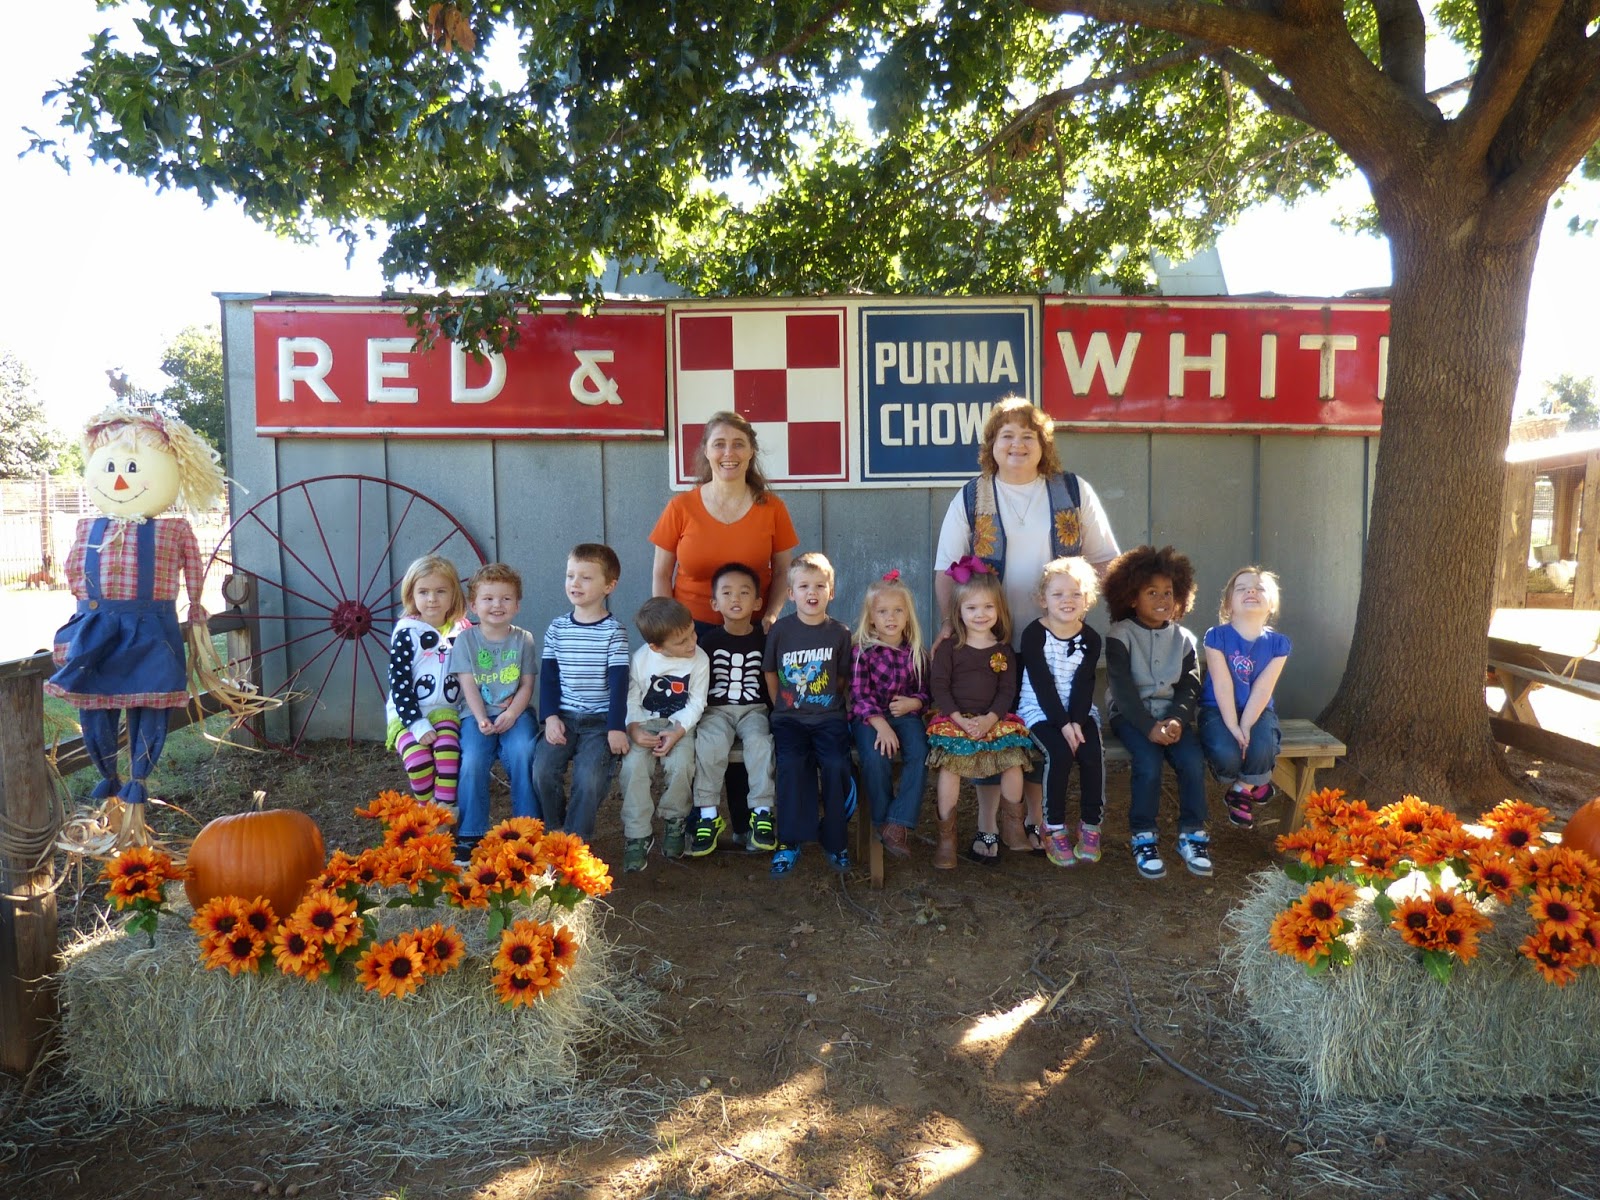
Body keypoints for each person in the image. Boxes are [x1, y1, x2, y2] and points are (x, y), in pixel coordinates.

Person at [933, 396, 1119, 851]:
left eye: (1028, 437)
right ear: (991, 445)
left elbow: (1106, 560)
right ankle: (989, 827)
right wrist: (951, 626)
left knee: (1038, 733)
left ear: (1044, 445)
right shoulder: (971, 495)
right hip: (987, 641)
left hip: (1052, 642)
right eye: (1006, 436)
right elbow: (944, 569)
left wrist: (1073, 602)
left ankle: (1038, 821)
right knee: (990, 732)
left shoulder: (1073, 492)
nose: (1017, 445)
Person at [47, 407, 226, 829]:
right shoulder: (87, 525)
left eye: (132, 467)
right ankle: (109, 781)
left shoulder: (173, 530)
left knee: (150, 705)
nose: (121, 479)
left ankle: (138, 784)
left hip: (150, 631)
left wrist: (196, 604)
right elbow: (76, 574)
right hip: (98, 630)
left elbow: (194, 568)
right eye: (111, 468)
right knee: (96, 705)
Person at [652, 411, 798, 843]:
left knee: (749, 717)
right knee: (703, 724)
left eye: (738, 444)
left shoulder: (771, 506)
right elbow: (662, 573)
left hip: (749, 631)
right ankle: (700, 817)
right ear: (705, 452)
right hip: (689, 635)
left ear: (751, 451)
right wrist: (666, 630)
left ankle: (750, 822)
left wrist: (768, 617)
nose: (728, 453)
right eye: (719, 444)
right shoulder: (682, 506)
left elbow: (784, 568)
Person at [1103, 545, 1208, 881]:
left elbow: (1190, 686)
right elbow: (1122, 690)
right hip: (1131, 717)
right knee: (1147, 764)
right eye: (1152, 592)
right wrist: (1149, 727)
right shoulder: (1120, 635)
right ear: (1131, 598)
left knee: (1192, 761)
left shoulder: (1185, 638)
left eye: (1169, 592)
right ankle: (1143, 836)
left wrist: (1177, 719)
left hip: (1172, 718)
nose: (1163, 599)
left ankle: (1192, 833)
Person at [925, 560, 1035, 869]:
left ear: (999, 609)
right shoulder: (950, 648)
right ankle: (947, 838)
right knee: (950, 767)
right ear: (958, 611)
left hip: (992, 720)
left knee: (1013, 760)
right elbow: (940, 687)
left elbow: (1007, 691)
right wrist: (959, 718)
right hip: (955, 719)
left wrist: (990, 719)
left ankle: (1012, 824)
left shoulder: (1003, 651)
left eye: (988, 607)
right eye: (972, 608)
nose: (981, 614)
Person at [763, 552, 854, 877]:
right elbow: (771, 673)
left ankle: (835, 840)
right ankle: (790, 840)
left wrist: (826, 702)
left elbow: (842, 678)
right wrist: (781, 707)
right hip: (790, 720)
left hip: (829, 718)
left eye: (819, 585)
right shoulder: (781, 631)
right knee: (790, 766)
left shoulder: (839, 633)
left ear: (832, 591)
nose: (811, 592)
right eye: (803, 586)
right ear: (791, 593)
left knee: (835, 765)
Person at [531, 543, 630, 840]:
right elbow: (548, 678)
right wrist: (550, 718)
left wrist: (615, 728)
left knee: (589, 779)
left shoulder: (614, 631)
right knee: (542, 770)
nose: (575, 583)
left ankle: (575, 843)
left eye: (586, 578)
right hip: (564, 717)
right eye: (570, 575)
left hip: (600, 723)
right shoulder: (557, 628)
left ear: (609, 586)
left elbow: (619, 683)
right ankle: (555, 829)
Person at [1018, 557, 1105, 868]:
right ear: (1044, 599)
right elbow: (1041, 683)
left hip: (1078, 712)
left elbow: (1085, 684)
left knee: (1092, 753)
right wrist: (1063, 725)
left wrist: (1077, 722)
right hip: (1040, 710)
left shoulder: (1091, 638)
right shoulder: (1034, 634)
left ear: (1087, 599)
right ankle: (1052, 826)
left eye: (1075, 594)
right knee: (1060, 754)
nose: (1067, 600)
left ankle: (1091, 824)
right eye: (1058, 594)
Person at [449, 563, 539, 861]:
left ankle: (528, 829)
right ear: (473, 606)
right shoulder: (466, 640)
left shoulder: (523, 639)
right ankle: (470, 833)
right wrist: (481, 718)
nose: (497, 605)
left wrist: (512, 713)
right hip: (476, 715)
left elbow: (527, 685)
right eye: (488, 599)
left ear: (517, 604)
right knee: (473, 758)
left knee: (524, 751)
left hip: (516, 713)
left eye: (505, 598)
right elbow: (467, 684)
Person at [690, 562, 776, 857]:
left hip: (755, 709)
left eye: (744, 593)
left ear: (758, 602)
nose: (736, 599)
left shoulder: (765, 640)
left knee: (761, 744)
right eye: (727, 593)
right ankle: (708, 815)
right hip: (716, 710)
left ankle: (762, 813)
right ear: (715, 603)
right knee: (709, 744)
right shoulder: (709, 640)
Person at [618, 597, 710, 873]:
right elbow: (632, 697)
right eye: (682, 642)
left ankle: (675, 820)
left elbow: (697, 702)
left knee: (682, 765)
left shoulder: (699, 660)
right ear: (656, 646)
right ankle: (637, 833)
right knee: (634, 768)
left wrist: (678, 730)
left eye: (692, 633)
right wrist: (633, 728)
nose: (692, 643)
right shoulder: (641, 660)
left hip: (679, 726)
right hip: (644, 724)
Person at [1199, 566, 1291, 831]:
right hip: (1218, 708)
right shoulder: (1216, 637)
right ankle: (1256, 782)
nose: (1251, 591)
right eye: (1242, 588)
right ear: (1229, 604)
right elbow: (1223, 684)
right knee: (1226, 753)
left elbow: (1263, 689)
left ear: (1271, 603)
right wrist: (1233, 727)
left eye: (1260, 588)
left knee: (1261, 746)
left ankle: (1241, 790)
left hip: (1258, 709)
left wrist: (1247, 726)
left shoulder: (1278, 644)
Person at [849, 569, 929, 860]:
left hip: (905, 716)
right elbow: (859, 696)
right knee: (874, 755)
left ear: (907, 616)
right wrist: (881, 725)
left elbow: (925, 693)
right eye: (883, 611)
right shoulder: (862, 652)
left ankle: (898, 822)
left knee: (920, 752)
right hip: (870, 719)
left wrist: (913, 704)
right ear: (871, 617)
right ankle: (883, 819)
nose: (891, 618)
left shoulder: (916, 652)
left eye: (898, 611)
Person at [384, 554, 470, 807]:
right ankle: (426, 808)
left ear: (453, 594)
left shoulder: (463, 631)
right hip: (408, 714)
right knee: (419, 762)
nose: (432, 599)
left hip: (446, 712)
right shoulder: (407, 633)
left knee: (448, 754)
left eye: (441, 591)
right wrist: (416, 723)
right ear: (411, 595)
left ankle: (444, 814)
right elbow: (399, 682)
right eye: (423, 592)